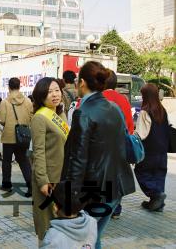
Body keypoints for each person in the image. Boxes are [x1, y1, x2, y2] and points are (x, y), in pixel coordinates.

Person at [57, 61, 135, 249]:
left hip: (95, 189)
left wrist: (70, 199)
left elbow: (77, 158)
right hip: (116, 186)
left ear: (82, 82)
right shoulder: (114, 108)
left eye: (77, 80)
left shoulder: (83, 112)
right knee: (94, 236)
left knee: (88, 238)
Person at [31, 77, 69, 244]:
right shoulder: (40, 117)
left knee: (62, 224)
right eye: (49, 92)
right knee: (47, 226)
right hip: (49, 179)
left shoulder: (60, 113)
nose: (54, 94)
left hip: (62, 177)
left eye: (56, 90)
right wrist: (42, 181)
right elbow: (38, 152)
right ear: (41, 96)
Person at [102, 70, 135, 219]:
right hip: (120, 145)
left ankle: (105, 207)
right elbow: (129, 124)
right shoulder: (123, 100)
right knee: (117, 176)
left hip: (101, 147)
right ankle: (116, 208)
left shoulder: (97, 98)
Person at [135, 83, 169, 212]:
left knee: (140, 172)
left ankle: (155, 195)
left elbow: (141, 134)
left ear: (146, 96)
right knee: (159, 175)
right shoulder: (162, 110)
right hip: (162, 150)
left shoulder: (145, 111)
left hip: (149, 150)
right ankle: (157, 204)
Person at [0, 77, 33, 197]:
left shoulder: (4, 102)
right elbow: (31, 117)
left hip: (9, 136)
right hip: (23, 136)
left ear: (9, 87)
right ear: (20, 86)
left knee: (7, 161)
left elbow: (2, 120)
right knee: (24, 161)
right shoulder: (28, 101)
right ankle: (31, 186)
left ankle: (6, 184)